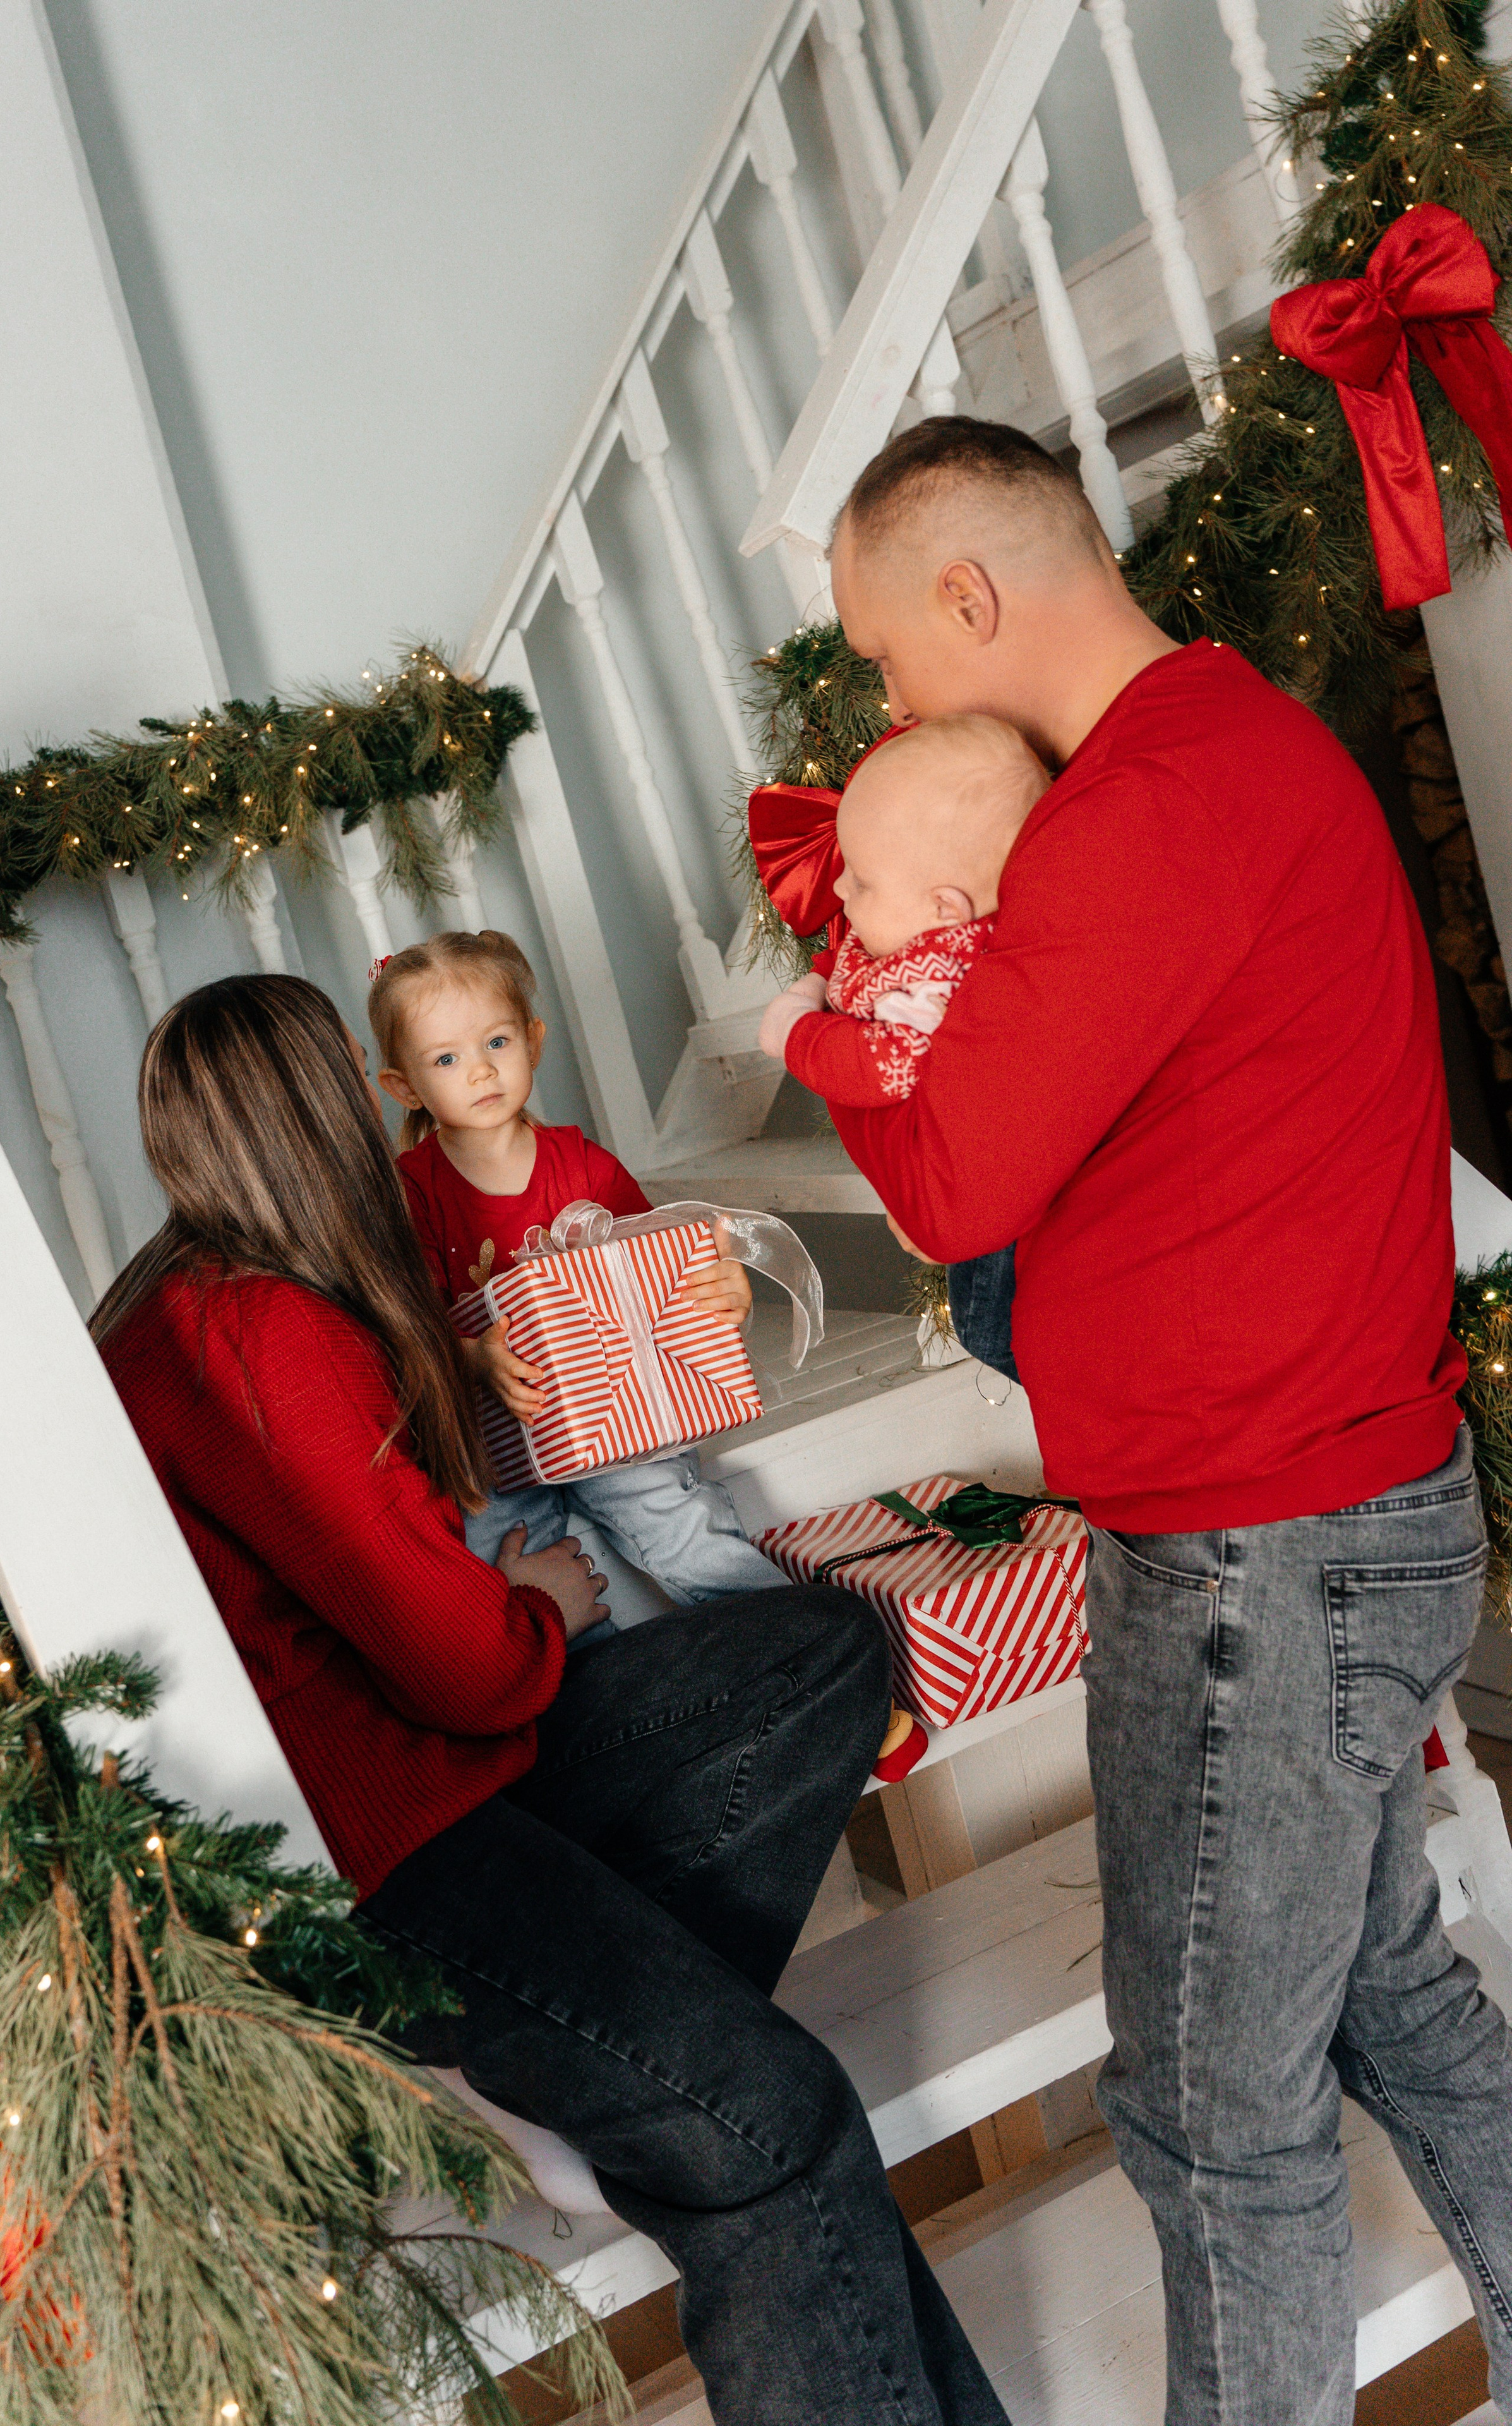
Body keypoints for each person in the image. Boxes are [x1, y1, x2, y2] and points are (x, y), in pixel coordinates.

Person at [805, 415, 1512, 2426]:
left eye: (879, 656)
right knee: (1393, 2000)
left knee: (1213, 2111)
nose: (886, 701)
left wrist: (852, 1000)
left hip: (1251, 1562)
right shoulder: (1227, 751)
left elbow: (949, 1185)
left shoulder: (1143, 809)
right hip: (1348, 1510)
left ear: (966, 592)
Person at [93, 973, 1011, 2426]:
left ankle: (563, 2069)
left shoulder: (187, 1302)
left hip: (425, 1779)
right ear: (311, 1110)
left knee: (823, 1646)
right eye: (353, 1074)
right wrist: (544, 1613)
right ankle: (574, 2062)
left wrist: (670, 1272)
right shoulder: (266, 1332)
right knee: (767, 2120)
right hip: (392, 1841)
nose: (379, 1100)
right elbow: (459, 1665)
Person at [368, 929, 789, 1610]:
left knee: (676, 1518)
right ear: (403, 1086)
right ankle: (584, 1691)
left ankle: (798, 1642)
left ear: (533, 1041)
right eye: (446, 1059)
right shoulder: (411, 1191)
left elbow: (662, 1268)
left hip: (615, 1413)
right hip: (491, 1438)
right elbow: (401, 1326)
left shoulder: (581, 1164)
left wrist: (721, 1286)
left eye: (496, 1044)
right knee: (499, 1560)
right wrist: (474, 1358)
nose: (479, 1070)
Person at [749, 716, 1041, 1379]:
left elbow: (884, 1066)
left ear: (944, 907)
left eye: (863, 880)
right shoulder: (914, 938)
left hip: (991, 1197)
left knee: (993, 1328)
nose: (841, 889)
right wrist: (816, 981)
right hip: (951, 1183)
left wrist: (799, 1034)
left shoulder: (939, 984)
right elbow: (848, 963)